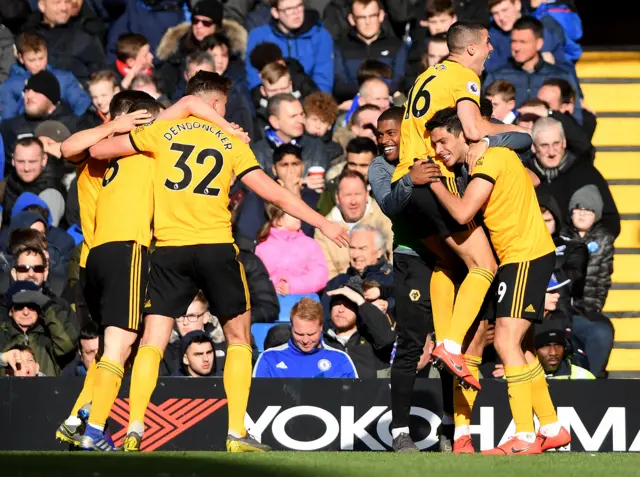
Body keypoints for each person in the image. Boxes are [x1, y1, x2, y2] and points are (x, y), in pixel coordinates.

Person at [86, 71, 349, 452]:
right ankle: (237, 433)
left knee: (153, 342)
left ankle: (135, 428)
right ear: (214, 105)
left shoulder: (161, 132)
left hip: (168, 250)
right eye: (223, 106)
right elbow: (274, 192)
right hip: (215, 247)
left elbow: (98, 151)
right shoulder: (231, 141)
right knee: (239, 338)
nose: (225, 112)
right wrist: (322, 221)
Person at [420, 108, 569, 455]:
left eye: (443, 141)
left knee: (504, 342)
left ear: (463, 134)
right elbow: (532, 180)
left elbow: (461, 213)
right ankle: (551, 426)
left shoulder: (489, 159)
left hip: (524, 256)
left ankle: (524, 435)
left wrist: (436, 183)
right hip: (520, 256)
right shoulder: (490, 159)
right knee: (524, 348)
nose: (439, 150)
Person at [391, 22, 522, 390]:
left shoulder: (425, 77)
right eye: (487, 44)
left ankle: (445, 339)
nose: (491, 50)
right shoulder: (464, 76)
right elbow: (474, 128)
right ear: (469, 49)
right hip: (433, 179)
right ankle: (449, 345)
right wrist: (517, 134)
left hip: (407, 182)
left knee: (447, 262)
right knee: (484, 264)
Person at [70, 99, 163, 452]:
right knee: (120, 343)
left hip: (93, 259)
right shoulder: (143, 152)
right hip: (124, 250)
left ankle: (80, 415)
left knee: (123, 343)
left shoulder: (99, 153)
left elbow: (71, 148)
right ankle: (93, 427)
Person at [315, 169, 393, 279]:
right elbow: (328, 274)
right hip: (343, 290)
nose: (353, 201)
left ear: (366, 195)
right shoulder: (324, 229)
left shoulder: (384, 216)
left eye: (357, 194)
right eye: (347, 195)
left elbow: (396, 258)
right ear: (337, 198)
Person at [253, 297, 358, 378]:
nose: (305, 340)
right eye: (299, 334)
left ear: (321, 327)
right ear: (291, 327)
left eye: (311, 334)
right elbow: (258, 400)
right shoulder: (269, 358)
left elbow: (355, 401)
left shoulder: (340, 360)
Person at [245, 0, 334, 94]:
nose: (296, 12)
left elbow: (323, 80)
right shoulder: (259, 36)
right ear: (275, 13)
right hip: (271, 98)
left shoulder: (320, 35)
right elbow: (254, 80)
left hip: (309, 97)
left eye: (299, 6)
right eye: (289, 9)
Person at [1, 32, 91, 120]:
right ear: (21, 58)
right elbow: (8, 120)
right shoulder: (10, 86)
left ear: (47, 53)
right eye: (32, 60)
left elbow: (82, 104)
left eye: (41, 58)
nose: (38, 64)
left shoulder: (63, 79)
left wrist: (72, 125)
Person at [333, 0, 407, 102]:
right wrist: (366, 95)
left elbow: (399, 80)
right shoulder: (340, 47)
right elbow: (339, 85)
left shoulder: (396, 45)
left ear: (381, 15)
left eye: (372, 16)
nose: (367, 22)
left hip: (388, 104)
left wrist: (376, 94)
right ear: (352, 19)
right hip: (353, 105)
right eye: (361, 17)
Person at [0, 280, 78, 377]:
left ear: (39, 309)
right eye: (19, 307)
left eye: (32, 306)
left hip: (46, 391)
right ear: (10, 312)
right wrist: (2, 358)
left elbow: (67, 343)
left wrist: (47, 304)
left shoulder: (49, 335)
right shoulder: (2, 336)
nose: (26, 312)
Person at [21, 0, 107, 84]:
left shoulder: (85, 36)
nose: (64, 8)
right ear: (42, 5)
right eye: (57, 2)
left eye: (67, 2)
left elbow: (101, 76)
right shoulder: (27, 34)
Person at [324, 281, 396, 378]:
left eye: (347, 305)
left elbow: (386, 338)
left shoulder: (372, 338)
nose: (341, 310)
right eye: (337, 304)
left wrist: (361, 301)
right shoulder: (323, 341)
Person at [560, 186, 614, 314]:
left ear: (596, 214)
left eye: (588, 210)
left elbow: (603, 278)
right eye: (577, 209)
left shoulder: (604, 239)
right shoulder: (561, 236)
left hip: (590, 308)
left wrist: (596, 307)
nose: (582, 214)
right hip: (562, 307)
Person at [255, 204, 329, 296]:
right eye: (293, 213)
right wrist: (275, 286)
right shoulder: (263, 248)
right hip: (270, 302)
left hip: (304, 303)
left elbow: (320, 276)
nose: (298, 215)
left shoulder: (309, 244)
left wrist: (292, 285)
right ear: (279, 220)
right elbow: (256, 278)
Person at [251, 93, 330, 176]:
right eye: (293, 116)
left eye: (301, 114)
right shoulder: (257, 154)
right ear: (275, 121)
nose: (301, 120)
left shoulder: (316, 148)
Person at [2, 137, 63, 226]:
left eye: (32, 161)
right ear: (13, 160)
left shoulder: (52, 189)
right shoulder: (11, 180)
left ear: (44, 160)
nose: (26, 168)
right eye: (20, 161)